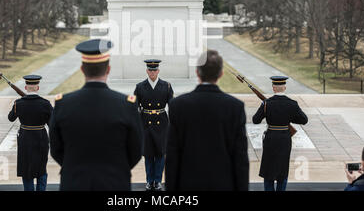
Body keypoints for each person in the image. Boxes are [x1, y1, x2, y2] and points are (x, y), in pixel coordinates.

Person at [49, 39, 143, 191]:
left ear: (82, 69)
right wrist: (117, 169)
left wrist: (74, 167)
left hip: (74, 182)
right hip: (114, 183)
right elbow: (136, 150)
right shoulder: (126, 105)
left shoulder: (63, 104)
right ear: (108, 69)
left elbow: (56, 149)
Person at [165, 50, 249, 191]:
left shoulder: (178, 106)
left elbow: (172, 157)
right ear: (221, 74)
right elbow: (240, 159)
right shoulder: (235, 107)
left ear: (198, 73)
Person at [252, 76, 308, 191]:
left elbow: (255, 120)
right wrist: (290, 118)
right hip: (284, 139)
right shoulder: (292, 104)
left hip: (271, 138)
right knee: (282, 170)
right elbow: (304, 120)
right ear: (285, 87)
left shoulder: (267, 103)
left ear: (273, 88)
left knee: (269, 170)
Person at [7, 75, 53, 191]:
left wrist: (18, 105)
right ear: (37, 88)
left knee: (26, 169)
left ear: (26, 87)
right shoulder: (45, 104)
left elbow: (10, 118)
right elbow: (52, 124)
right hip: (41, 138)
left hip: (25, 139)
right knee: (41, 168)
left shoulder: (19, 103)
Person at [134, 59, 174, 191]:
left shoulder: (166, 86)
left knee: (160, 153)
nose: (152, 72)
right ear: (147, 71)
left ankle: (157, 181)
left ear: (158, 71)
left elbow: (172, 106)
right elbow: (135, 107)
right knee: (148, 154)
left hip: (161, 123)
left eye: (154, 70)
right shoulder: (140, 87)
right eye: (150, 70)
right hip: (146, 122)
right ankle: (149, 180)